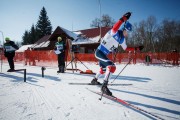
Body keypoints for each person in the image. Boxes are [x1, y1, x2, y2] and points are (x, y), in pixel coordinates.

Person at [90, 12, 143, 96]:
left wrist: (136, 48)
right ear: (123, 29)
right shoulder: (114, 32)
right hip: (99, 52)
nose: (127, 34)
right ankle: (104, 86)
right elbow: (115, 26)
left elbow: (125, 48)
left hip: (104, 55)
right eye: (127, 31)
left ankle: (94, 80)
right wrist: (124, 18)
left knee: (103, 70)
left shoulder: (122, 40)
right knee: (112, 67)